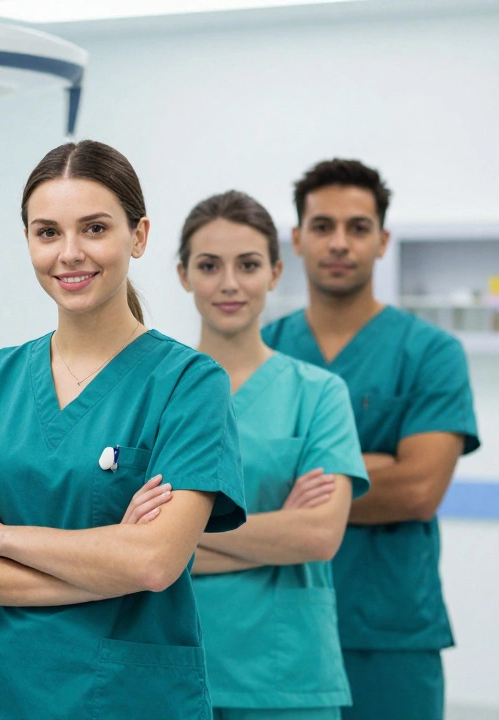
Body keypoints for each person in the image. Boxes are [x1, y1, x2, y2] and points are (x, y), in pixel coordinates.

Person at [0, 140, 247, 719]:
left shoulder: (188, 383)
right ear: (29, 242)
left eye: (94, 228)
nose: (70, 254)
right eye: (47, 233)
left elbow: (154, 562)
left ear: (137, 237)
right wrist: (106, 562)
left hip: (128, 699)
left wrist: (0, 537)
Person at [261, 159, 480, 720]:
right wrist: (371, 464)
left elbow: (417, 490)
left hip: (390, 633)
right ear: (297, 240)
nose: (339, 243)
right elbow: (237, 488)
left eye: (358, 228)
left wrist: (291, 479)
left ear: (382, 241)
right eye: (323, 226)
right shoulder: (258, 351)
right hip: (273, 623)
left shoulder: (431, 352)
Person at [176, 190, 369, 720]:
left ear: (276, 273)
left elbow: (318, 535)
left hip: (286, 675)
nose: (230, 283)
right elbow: (120, 543)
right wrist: (276, 529)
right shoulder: (153, 392)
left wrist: (174, 539)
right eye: (209, 265)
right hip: (172, 664)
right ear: (183, 274)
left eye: (249, 264)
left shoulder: (319, 393)